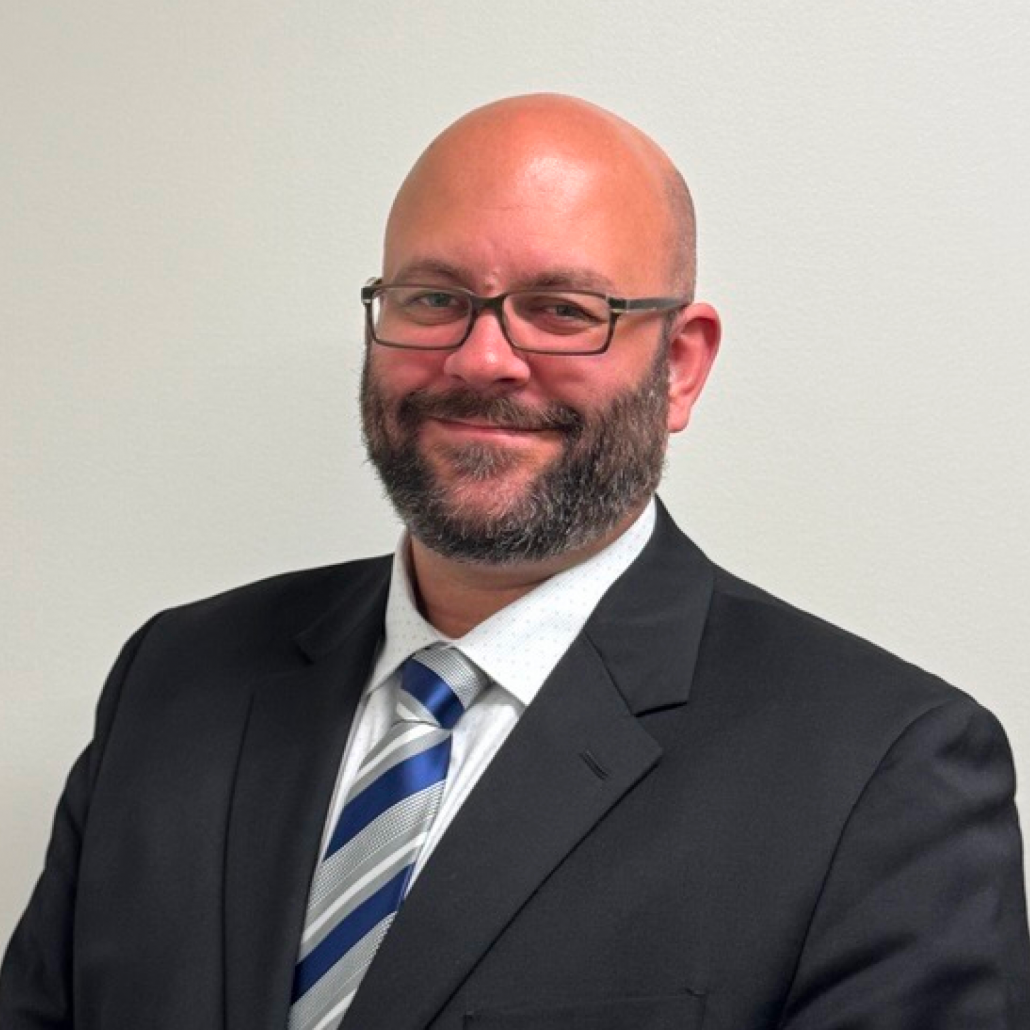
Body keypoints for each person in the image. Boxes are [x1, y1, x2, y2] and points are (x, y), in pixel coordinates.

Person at [2, 93, 1028, 1030]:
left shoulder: (885, 773)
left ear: (679, 365)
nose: (480, 358)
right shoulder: (176, 677)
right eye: (432, 297)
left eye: (564, 310)